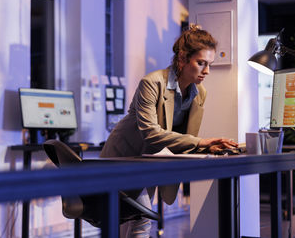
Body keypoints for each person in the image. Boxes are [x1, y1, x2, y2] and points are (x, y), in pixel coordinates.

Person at [100, 24, 238, 238]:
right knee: (139, 219)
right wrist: (202, 142)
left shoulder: (198, 93)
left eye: (209, 64)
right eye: (201, 63)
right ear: (182, 58)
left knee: (133, 222)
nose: (207, 71)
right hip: (123, 160)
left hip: (148, 163)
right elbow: (152, 133)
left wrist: (210, 147)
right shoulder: (152, 83)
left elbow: (182, 139)